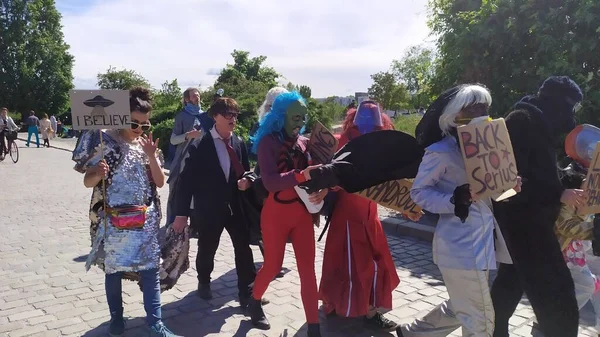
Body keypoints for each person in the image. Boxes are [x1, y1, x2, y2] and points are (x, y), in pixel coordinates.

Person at [396, 84, 519, 337]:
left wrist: (511, 184)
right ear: (455, 114)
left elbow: (496, 194)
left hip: (483, 244)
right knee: (481, 322)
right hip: (460, 247)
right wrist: (456, 199)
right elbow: (418, 193)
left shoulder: (489, 148)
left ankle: (413, 333)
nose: (483, 112)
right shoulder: (440, 152)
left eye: (485, 106)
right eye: (475, 107)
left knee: (461, 306)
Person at [71, 87, 180, 337]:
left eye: (144, 123)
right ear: (120, 117)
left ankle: (155, 324)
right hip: (116, 223)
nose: (139, 128)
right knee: (114, 271)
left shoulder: (148, 146)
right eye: (134, 122)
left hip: (144, 222)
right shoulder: (106, 142)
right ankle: (116, 319)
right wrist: (98, 172)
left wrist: (152, 156)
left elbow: (160, 183)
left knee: (150, 270)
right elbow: (88, 182)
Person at [490, 76, 584, 337]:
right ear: (558, 103)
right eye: (571, 107)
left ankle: (492, 332)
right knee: (558, 296)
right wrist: (558, 194)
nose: (571, 116)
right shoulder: (522, 121)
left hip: (532, 220)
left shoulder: (538, 122)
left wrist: (571, 180)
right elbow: (509, 182)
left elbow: (542, 171)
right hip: (523, 223)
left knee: (510, 284)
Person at [172, 97, 267, 308]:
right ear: (215, 116)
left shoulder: (238, 142)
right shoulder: (200, 144)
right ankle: (204, 281)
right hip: (209, 209)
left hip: (236, 207)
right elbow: (185, 181)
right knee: (207, 247)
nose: (233, 119)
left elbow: (245, 170)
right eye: (228, 115)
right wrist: (181, 214)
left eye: (235, 114)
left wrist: (247, 181)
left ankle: (248, 292)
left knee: (243, 249)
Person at [247, 91, 328, 337]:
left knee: (307, 270)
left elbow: (324, 172)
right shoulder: (267, 142)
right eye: (295, 117)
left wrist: (323, 189)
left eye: (302, 117)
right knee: (272, 266)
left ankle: (314, 328)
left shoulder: (305, 143)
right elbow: (270, 182)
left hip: (302, 214)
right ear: (280, 116)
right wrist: (302, 175)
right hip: (276, 214)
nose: (299, 122)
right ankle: (254, 300)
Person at [319, 101, 400, 331]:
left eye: (374, 128)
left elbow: (393, 182)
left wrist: (407, 207)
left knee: (377, 264)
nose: (370, 132)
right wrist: (331, 183)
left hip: (370, 214)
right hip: (347, 216)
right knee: (348, 265)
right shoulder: (341, 143)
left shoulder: (381, 145)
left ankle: (371, 310)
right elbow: (331, 176)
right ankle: (338, 304)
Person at [529, 161, 600, 336]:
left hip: (572, 248)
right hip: (560, 249)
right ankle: (549, 319)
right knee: (584, 285)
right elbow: (566, 225)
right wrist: (596, 231)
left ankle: (549, 319)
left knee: (585, 285)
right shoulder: (573, 183)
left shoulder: (591, 184)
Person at [166, 87, 205, 226]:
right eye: (194, 96)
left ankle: (196, 225)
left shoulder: (205, 116)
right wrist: (188, 135)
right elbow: (173, 139)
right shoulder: (181, 116)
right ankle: (171, 224)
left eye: (198, 95)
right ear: (187, 99)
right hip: (183, 160)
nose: (197, 97)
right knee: (177, 191)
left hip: (200, 161)